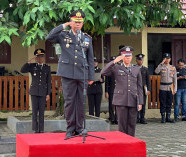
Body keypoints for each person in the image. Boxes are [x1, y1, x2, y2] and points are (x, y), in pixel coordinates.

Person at [46, 10, 95, 138]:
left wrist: (91, 77)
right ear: (71, 21)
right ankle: (70, 128)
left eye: (80, 22)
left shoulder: (86, 38)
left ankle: (79, 129)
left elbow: (90, 58)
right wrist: (63, 25)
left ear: (83, 23)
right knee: (69, 102)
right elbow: (49, 37)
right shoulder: (63, 35)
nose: (77, 24)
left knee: (81, 102)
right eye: (75, 21)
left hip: (82, 74)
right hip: (68, 74)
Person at [101, 46, 143, 137]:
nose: (127, 58)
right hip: (121, 99)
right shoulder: (116, 67)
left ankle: (131, 141)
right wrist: (114, 61)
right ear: (122, 57)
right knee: (122, 124)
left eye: (129, 56)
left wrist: (140, 102)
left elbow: (139, 86)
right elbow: (103, 72)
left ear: (132, 57)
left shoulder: (136, 69)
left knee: (132, 124)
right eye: (125, 56)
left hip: (133, 98)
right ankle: (123, 141)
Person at [21, 49, 51, 133]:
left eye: (41, 57)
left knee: (41, 111)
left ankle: (41, 129)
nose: (40, 59)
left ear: (44, 58)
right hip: (34, 91)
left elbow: (48, 82)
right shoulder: (32, 66)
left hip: (43, 92)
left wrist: (48, 94)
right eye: (38, 57)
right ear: (36, 58)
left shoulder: (47, 67)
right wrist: (29, 62)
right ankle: (35, 129)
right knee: (34, 111)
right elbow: (22, 70)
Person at [155, 53, 177, 123]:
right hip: (163, 87)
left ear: (170, 59)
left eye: (168, 58)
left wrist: (175, 88)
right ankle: (163, 117)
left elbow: (175, 79)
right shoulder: (161, 66)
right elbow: (156, 71)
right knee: (162, 103)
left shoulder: (172, 68)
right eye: (165, 58)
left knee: (169, 103)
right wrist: (161, 63)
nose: (167, 60)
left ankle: (168, 117)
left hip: (170, 87)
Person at [135, 54, 151, 124]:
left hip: (143, 88)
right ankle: (136, 118)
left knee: (143, 103)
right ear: (136, 60)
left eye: (141, 60)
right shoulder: (133, 68)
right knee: (136, 103)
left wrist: (148, 89)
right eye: (139, 60)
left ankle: (142, 118)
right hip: (135, 88)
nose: (140, 61)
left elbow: (148, 80)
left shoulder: (145, 69)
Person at [105, 56, 118, 124]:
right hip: (111, 90)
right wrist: (106, 91)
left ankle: (117, 118)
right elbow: (106, 82)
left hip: (118, 90)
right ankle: (112, 118)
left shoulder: (119, 69)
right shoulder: (108, 71)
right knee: (111, 104)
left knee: (117, 105)